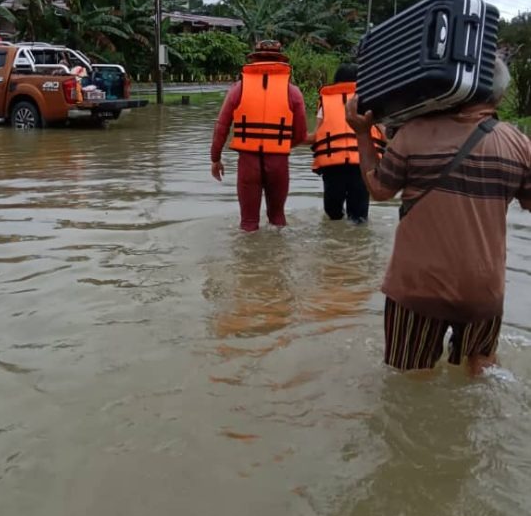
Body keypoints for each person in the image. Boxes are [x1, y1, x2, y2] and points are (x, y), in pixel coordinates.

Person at [345, 57, 531, 373]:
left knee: (410, 377)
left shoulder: (413, 134)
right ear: (497, 96)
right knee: (481, 370)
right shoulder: (518, 144)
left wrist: (363, 133)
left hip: (418, 288)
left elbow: (379, 190)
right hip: (483, 289)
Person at [211, 39, 308, 232]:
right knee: (278, 219)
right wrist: (281, 146)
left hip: (248, 162)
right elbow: (301, 133)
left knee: (248, 224)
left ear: (253, 60)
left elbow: (221, 126)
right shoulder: (293, 92)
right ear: (281, 61)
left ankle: (248, 262)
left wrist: (216, 158)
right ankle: (278, 260)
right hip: (279, 162)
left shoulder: (238, 89)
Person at [311, 63, 385, 223]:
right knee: (359, 217)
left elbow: (317, 134)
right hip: (362, 163)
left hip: (332, 164)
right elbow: (383, 131)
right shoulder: (368, 100)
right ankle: (358, 244)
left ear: (336, 80)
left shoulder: (326, 100)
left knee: (333, 214)